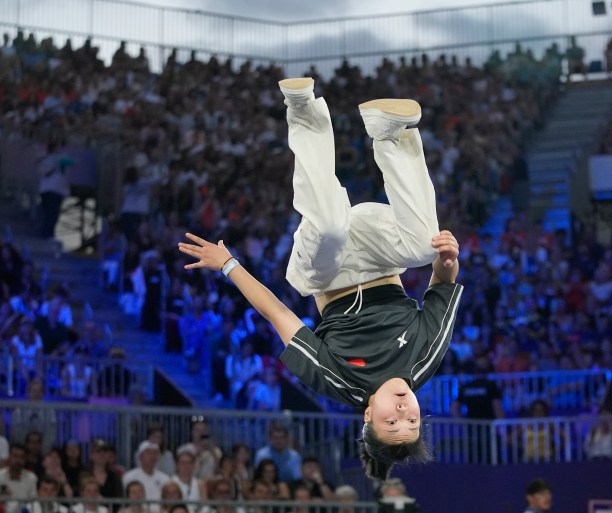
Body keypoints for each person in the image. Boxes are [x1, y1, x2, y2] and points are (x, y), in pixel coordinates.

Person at [178, 78, 462, 481]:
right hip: (381, 254)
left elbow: (278, 314)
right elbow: (443, 284)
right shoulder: (426, 357)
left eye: (391, 424)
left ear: (367, 416)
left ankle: (304, 112)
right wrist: (447, 258)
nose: (403, 414)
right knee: (423, 248)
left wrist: (228, 264)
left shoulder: (337, 379)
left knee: (328, 225)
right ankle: (389, 136)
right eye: (412, 424)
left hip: (325, 272)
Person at [122, 441, 171, 513]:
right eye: (148, 453)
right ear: (140, 456)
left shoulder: (165, 478)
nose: (152, 456)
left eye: (155, 453)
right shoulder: (129, 477)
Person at [0, 443, 38, 513]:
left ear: (25, 459)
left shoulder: (32, 478)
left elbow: (32, 503)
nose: (18, 460)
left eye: (22, 457)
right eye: (15, 456)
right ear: (9, 457)